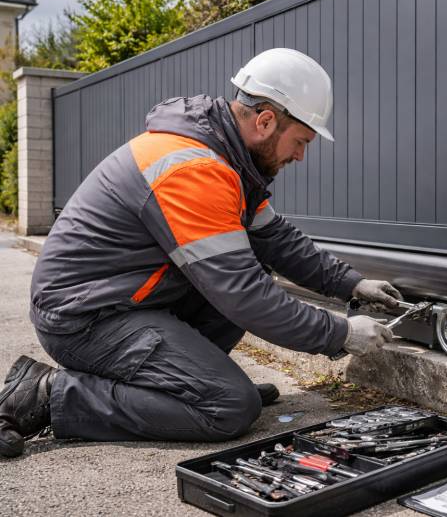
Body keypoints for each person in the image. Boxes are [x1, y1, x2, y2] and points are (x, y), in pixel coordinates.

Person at [0, 48, 400, 459]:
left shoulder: (229, 160)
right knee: (228, 407)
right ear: (265, 121)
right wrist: (341, 333)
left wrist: (350, 283)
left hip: (128, 300)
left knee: (252, 263)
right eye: (300, 141)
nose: (300, 155)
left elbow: (275, 238)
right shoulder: (194, 169)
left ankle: (194, 383)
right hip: (85, 319)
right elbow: (243, 293)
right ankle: (50, 394)